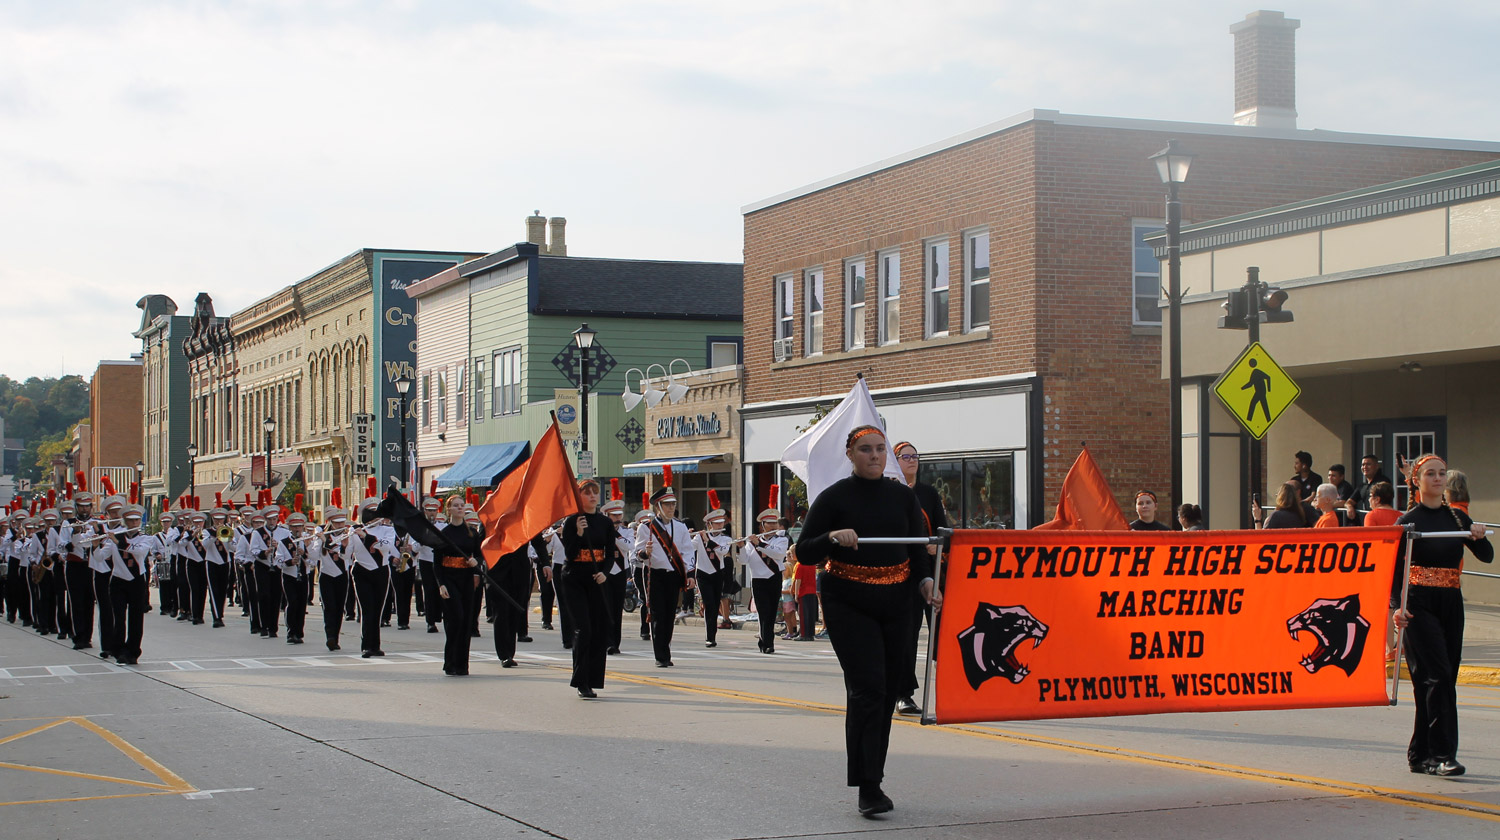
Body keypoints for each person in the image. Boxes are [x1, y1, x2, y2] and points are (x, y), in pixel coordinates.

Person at [795, 424, 941, 817]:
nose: (874, 456)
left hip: (898, 601)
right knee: (868, 689)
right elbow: (804, 552)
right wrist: (831, 538)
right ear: (850, 455)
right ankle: (869, 787)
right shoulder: (833, 497)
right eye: (865, 450)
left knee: (890, 688)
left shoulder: (903, 497)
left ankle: (874, 773)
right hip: (848, 600)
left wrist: (926, 580)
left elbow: (918, 548)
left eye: (879, 449)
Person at [1392, 454, 1492, 777]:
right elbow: (1393, 571)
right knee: (1438, 675)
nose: (1437, 479)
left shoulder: (1456, 519)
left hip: (1451, 602)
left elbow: (1487, 556)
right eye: (1431, 474)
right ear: (1417, 481)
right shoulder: (1407, 522)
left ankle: (1419, 753)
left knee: (1438, 679)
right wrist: (1397, 606)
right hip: (1418, 602)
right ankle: (1441, 754)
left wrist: (1476, 533)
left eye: (1441, 474)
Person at [892, 441, 946, 717]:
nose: (912, 460)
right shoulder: (890, 492)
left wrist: (939, 543)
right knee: (908, 635)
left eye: (915, 456)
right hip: (905, 573)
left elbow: (942, 527)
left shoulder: (928, 493)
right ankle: (904, 695)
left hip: (932, 570)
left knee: (943, 630)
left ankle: (950, 690)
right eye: (906, 456)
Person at [560, 478, 619, 698]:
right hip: (575, 578)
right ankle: (580, 680)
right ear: (579, 496)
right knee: (583, 629)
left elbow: (610, 550)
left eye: (595, 492)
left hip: (597, 579)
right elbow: (569, 553)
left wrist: (605, 572)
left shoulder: (604, 523)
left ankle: (593, 679)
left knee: (598, 629)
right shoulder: (573, 521)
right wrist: (578, 533)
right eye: (587, 493)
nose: (592, 496)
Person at [635, 485, 696, 667]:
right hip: (655, 574)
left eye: (673, 504)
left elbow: (687, 551)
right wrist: (646, 553)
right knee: (658, 615)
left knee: (669, 615)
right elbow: (637, 554)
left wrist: (690, 574)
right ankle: (661, 656)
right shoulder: (646, 528)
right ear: (658, 506)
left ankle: (665, 651)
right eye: (667, 504)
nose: (671, 508)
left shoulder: (681, 526)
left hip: (674, 575)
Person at [433, 496, 482, 676]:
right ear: (449, 510)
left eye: (462, 506)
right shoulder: (444, 534)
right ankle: (450, 662)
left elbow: (479, 555)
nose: (460, 508)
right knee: (456, 618)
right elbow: (436, 563)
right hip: (449, 579)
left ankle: (462, 665)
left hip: (466, 579)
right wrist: (441, 584)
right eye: (456, 506)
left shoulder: (472, 533)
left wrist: (475, 562)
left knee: (466, 620)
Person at [739, 506, 787, 654]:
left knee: (772, 612)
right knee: (763, 611)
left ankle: (766, 641)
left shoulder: (781, 539)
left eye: (774, 523)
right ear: (763, 525)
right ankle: (766, 642)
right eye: (769, 523)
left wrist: (759, 545)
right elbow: (743, 560)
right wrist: (741, 547)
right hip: (758, 579)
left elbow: (778, 554)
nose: (772, 526)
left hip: (774, 578)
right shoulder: (752, 541)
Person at [691, 498, 731, 648]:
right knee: (709, 604)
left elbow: (722, 551)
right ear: (709, 524)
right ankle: (710, 637)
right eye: (717, 523)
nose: (720, 526)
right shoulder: (699, 537)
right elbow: (688, 547)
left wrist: (708, 541)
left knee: (715, 604)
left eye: (721, 523)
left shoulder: (725, 539)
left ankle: (712, 633)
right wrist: (686, 535)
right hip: (702, 574)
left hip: (717, 574)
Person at [314, 505, 351, 651]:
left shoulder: (347, 535)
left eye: (342, 522)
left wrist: (326, 541)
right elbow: (314, 555)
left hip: (342, 575)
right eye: (337, 523)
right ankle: (330, 636)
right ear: (330, 522)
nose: (340, 525)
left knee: (339, 607)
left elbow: (344, 553)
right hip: (326, 575)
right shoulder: (322, 533)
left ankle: (335, 637)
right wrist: (314, 542)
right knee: (329, 607)